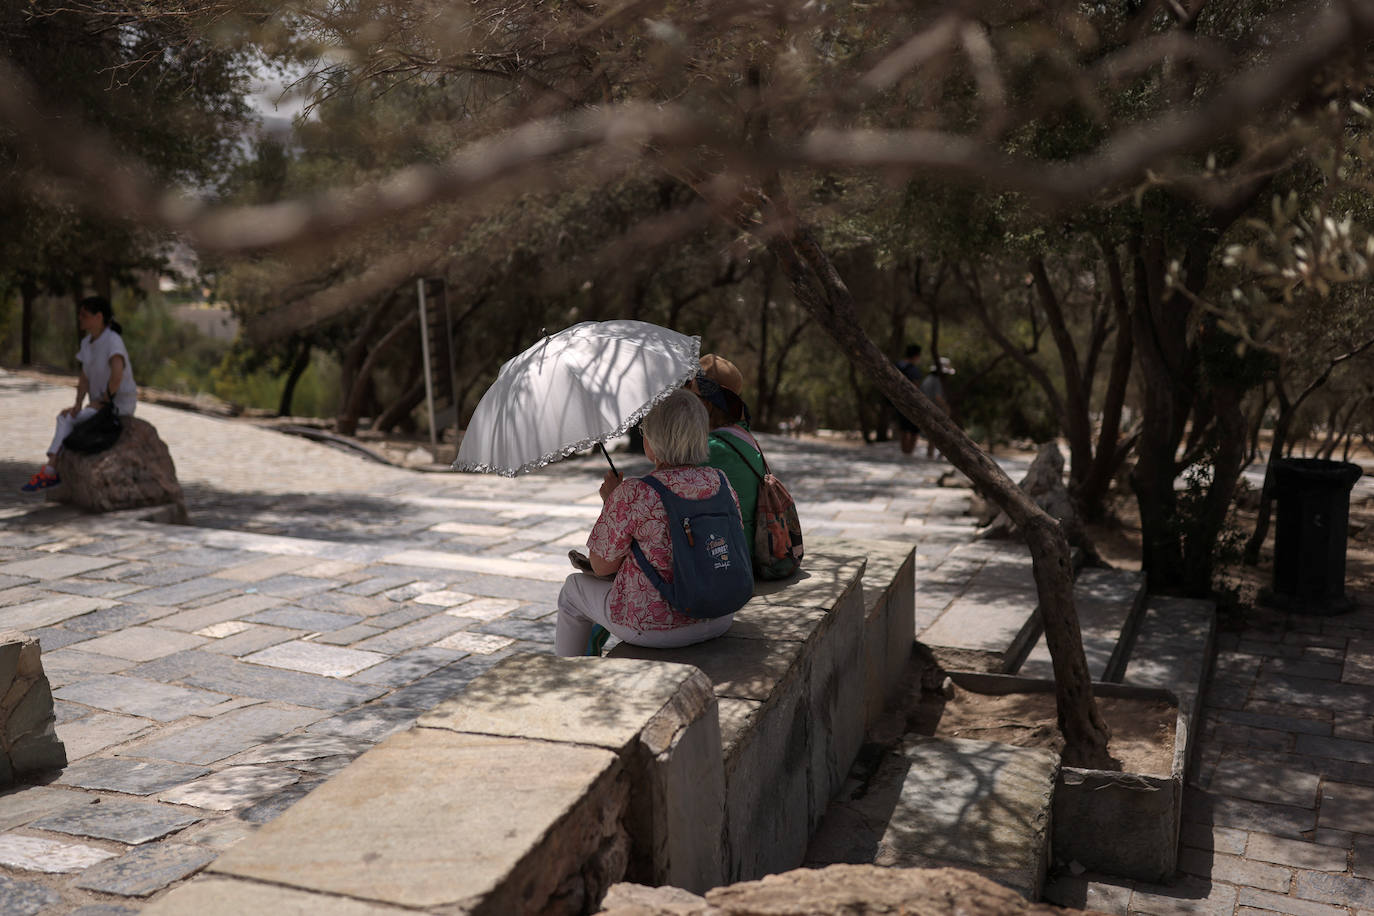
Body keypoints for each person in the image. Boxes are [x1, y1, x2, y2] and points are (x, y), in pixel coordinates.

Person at [554, 388, 743, 656]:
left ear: (652, 441)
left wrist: (612, 503)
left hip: (654, 626)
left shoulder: (635, 492)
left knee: (573, 590)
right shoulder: (720, 481)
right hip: (720, 615)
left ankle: (566, 677)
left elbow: (600, 565)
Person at [22, 296, 138, 492]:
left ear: (99, 317)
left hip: (117, 405)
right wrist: (77, 404)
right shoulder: (87, 343)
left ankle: (50, 470)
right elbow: (84, 378)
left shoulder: (113, 341)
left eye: (84, 315)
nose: (80, 319)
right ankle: (51, 469)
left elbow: (117, 376)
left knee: (66, 421)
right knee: (67, 416)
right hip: (98, 405)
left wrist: (103, 401)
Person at [691, 354, 766, 570]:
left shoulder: (712, 448)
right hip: (746, 550)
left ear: (706, 404)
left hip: (728, 560)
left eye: (692, 398)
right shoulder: (743, 435)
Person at [920, 356, 955, 459]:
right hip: (935, 409)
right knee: (940, 432)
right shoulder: (937, 380)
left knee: (933, 432)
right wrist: (947, 407)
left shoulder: (928, 379)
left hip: (926, 408)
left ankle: (930, 453)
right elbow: (938, 397)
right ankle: (938, 453)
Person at [894, 343, 924, 455]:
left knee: (904, 429)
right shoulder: (913, 369)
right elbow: (916, 386)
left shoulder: (897, 365)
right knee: (914, 430)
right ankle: (908, 453)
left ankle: (904, 453)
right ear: (916, 356)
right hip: (912, 404)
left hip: (898, 401)